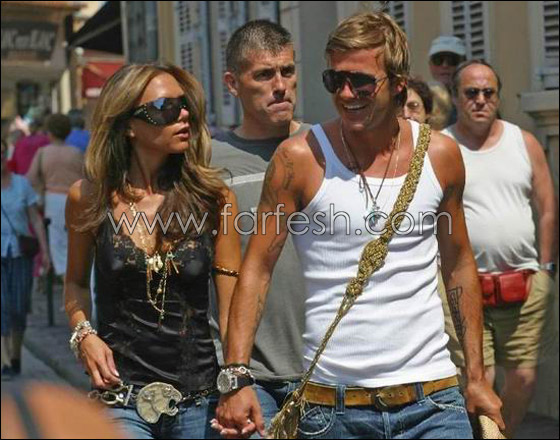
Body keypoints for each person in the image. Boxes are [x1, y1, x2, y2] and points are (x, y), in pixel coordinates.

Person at [215, 12, 504, 439]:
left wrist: (476, 377)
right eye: (335, 81)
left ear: (398, 83)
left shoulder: (440, 156)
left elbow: (459, 263)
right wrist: (236, 376)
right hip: (332, 409)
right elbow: (257, 268)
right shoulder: (299, 159)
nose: (346, 94)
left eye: (362, 82)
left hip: (433, 401)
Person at [64, 62, 241, 439]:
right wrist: (84, 334)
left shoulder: (214, 199)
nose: (183, 115)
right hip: (120, 398)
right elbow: (75, 283)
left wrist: (237, 379)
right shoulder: (88, 197)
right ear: (128, 125)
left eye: (184, 104)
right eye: (165, 108)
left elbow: (231, 307)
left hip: (199, 401)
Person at [442, 59, 558, 438]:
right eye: (471, 92)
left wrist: (546, 268)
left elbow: (547, 206)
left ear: (498, 97)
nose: (480, 100)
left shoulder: (523, 142)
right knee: (480, 378)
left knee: (524, 379)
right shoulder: (442, 147)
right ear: (455, 97)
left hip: (524, 285)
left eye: (488, 92)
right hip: (465, 287)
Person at [210, 20, 310, 435]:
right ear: (233, 84)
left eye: (287, 71)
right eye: (264, 75)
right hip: (249, 374)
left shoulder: (326, 147)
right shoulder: (209, 163)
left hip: (330, 369)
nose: (280, 86)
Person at [1, 139, 50, 380]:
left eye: (1, 154)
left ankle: (16, 355)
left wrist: (45, 252)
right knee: (2, 308)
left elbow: (36, 220)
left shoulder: (21, 184)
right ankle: (4, 361)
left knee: (18, 308)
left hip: (20, 254)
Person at [27, 114, 84, 280]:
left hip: (52, 199)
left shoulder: (43, 153)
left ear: (50, 132)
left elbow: (31, 177)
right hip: (75, 198)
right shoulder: (76, 153)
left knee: (58, 246)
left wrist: (41, 190)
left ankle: (66, 283)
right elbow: (87, 177)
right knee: (76, 244)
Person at [428, 36, 467, 127]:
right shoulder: (422, 97)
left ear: (463, 63)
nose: (445, 65)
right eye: (438, 60)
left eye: (452, 60)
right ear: (430, 65)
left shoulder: (475, 96)